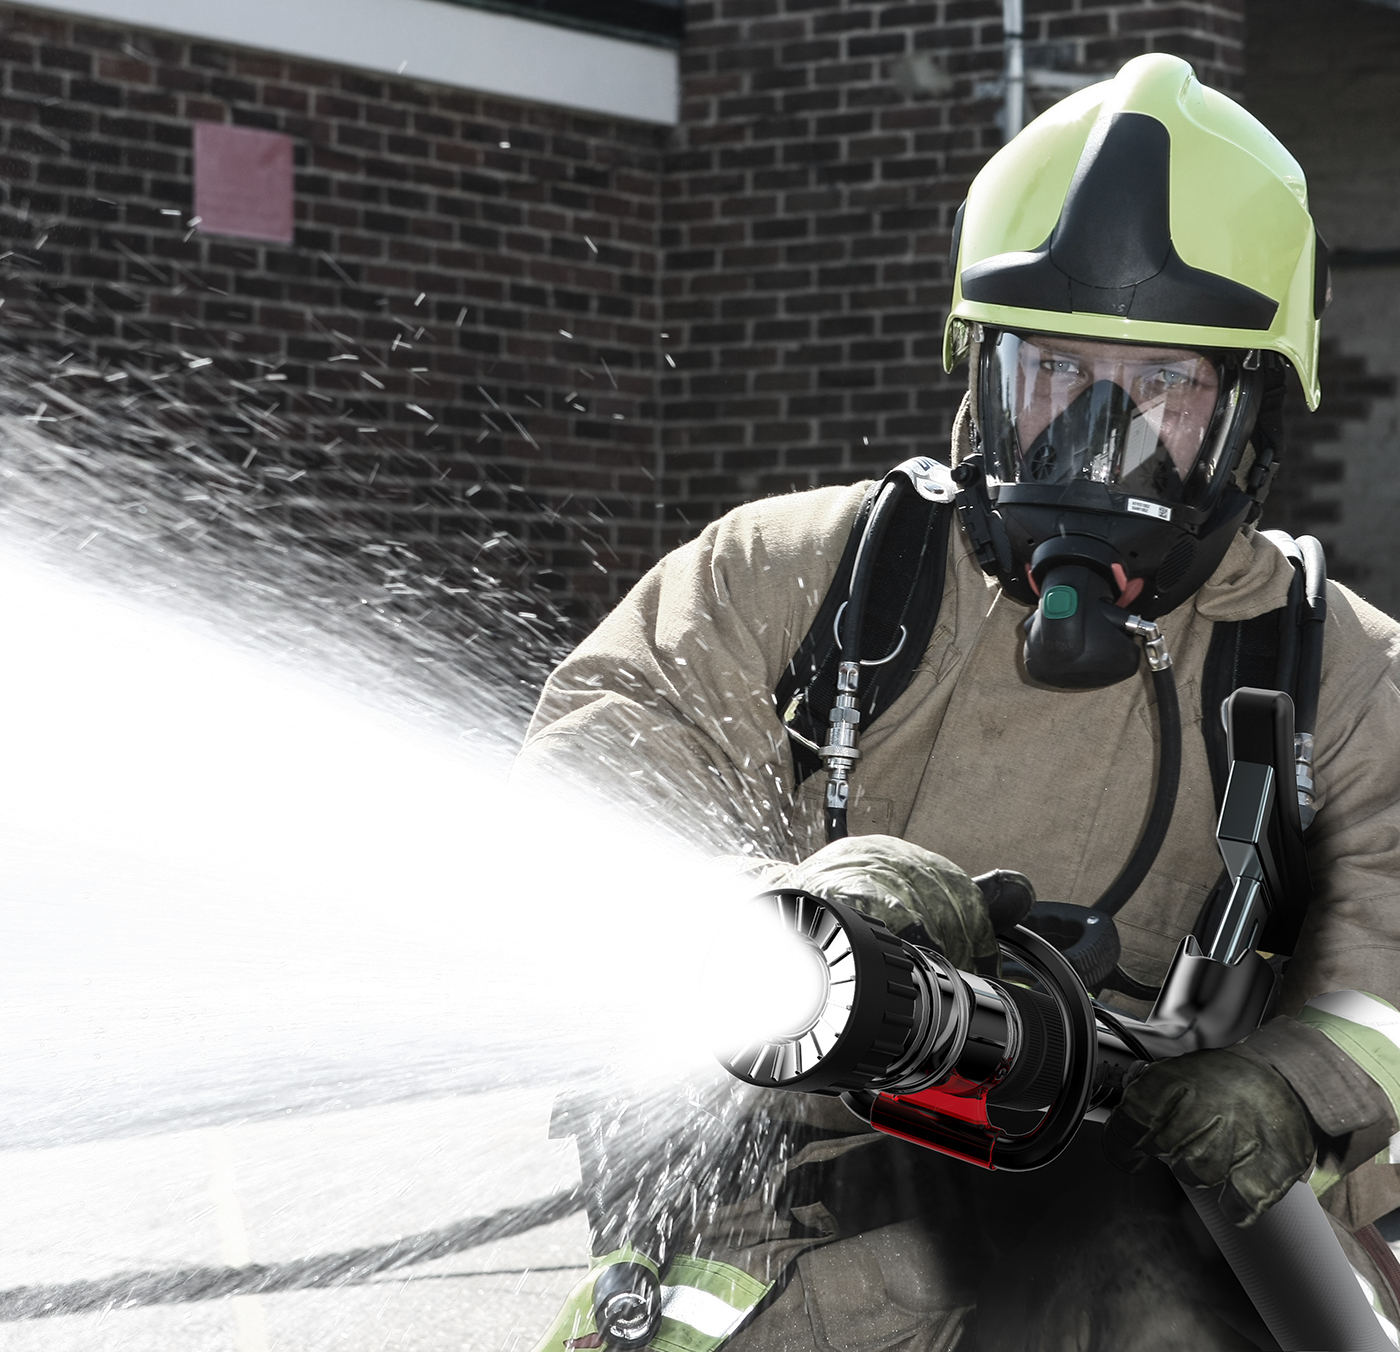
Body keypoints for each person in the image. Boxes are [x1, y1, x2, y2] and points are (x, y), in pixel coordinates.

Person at [519, 54, 1400, 1352]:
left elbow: (1385, 957)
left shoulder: (1335, 671)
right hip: (774, 1270)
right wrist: (794, 911)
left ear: (1253, 417)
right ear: (977, 371)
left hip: (1134, 1279)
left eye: (1162, 390)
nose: (1095, 436)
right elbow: (589, 796)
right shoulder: (795, 580)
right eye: (1054, 372)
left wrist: (1288, 1089)